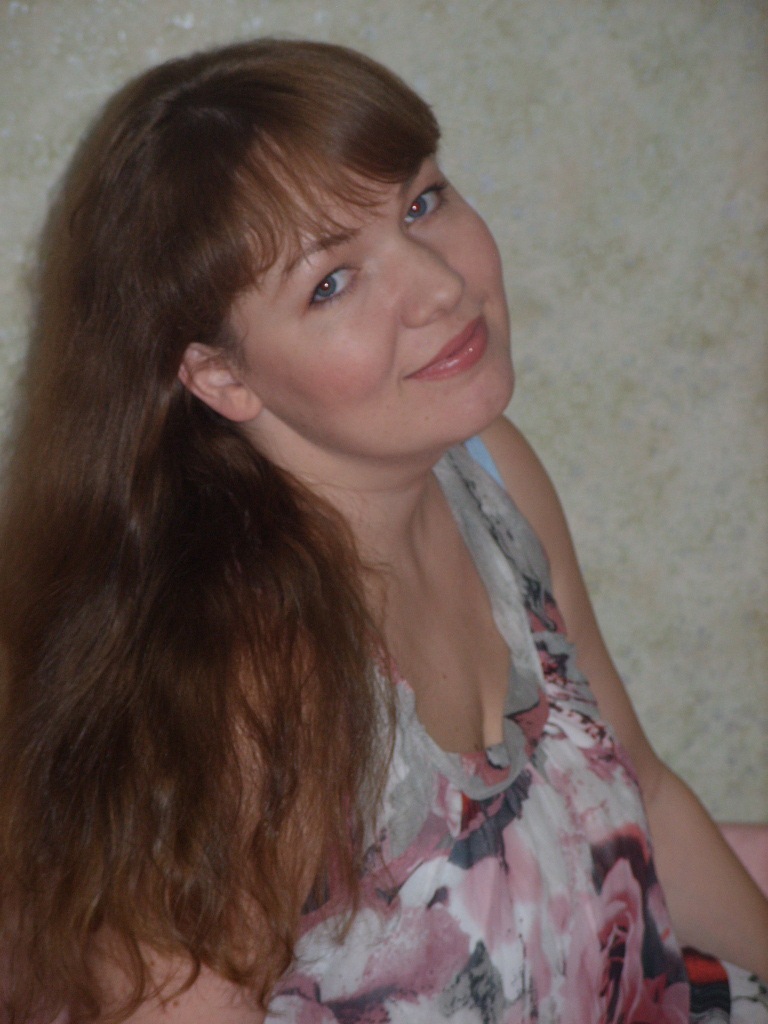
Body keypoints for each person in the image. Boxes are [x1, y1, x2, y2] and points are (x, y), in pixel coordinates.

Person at [0, 38, 765, 1024]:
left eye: (422, 202)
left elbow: (644, 796)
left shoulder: (487, 470)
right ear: (221, 377)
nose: (440, 285)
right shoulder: (229, 689)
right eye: (331, 282)